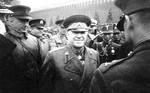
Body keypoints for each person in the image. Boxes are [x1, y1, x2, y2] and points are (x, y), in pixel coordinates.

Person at [90, 0, 150, 93]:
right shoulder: (97, 45)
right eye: (105, 34)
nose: (108, 36)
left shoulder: (107, 76)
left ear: (128, 21)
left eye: (109, 34)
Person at [40, 15, 101, 93]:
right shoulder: (54, 56)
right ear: (67, 34)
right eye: (75, 32)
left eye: (83, 32)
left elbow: (96, 85)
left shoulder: (94, 55)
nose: (79, 36)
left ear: (87, 34)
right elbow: (45, 88)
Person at [3, 5, 45, 93]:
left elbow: (41, 65)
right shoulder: (2, 42)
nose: (26, 25)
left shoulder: (34, 40)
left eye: (27, 21)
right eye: (22, 20)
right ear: (8, 19)